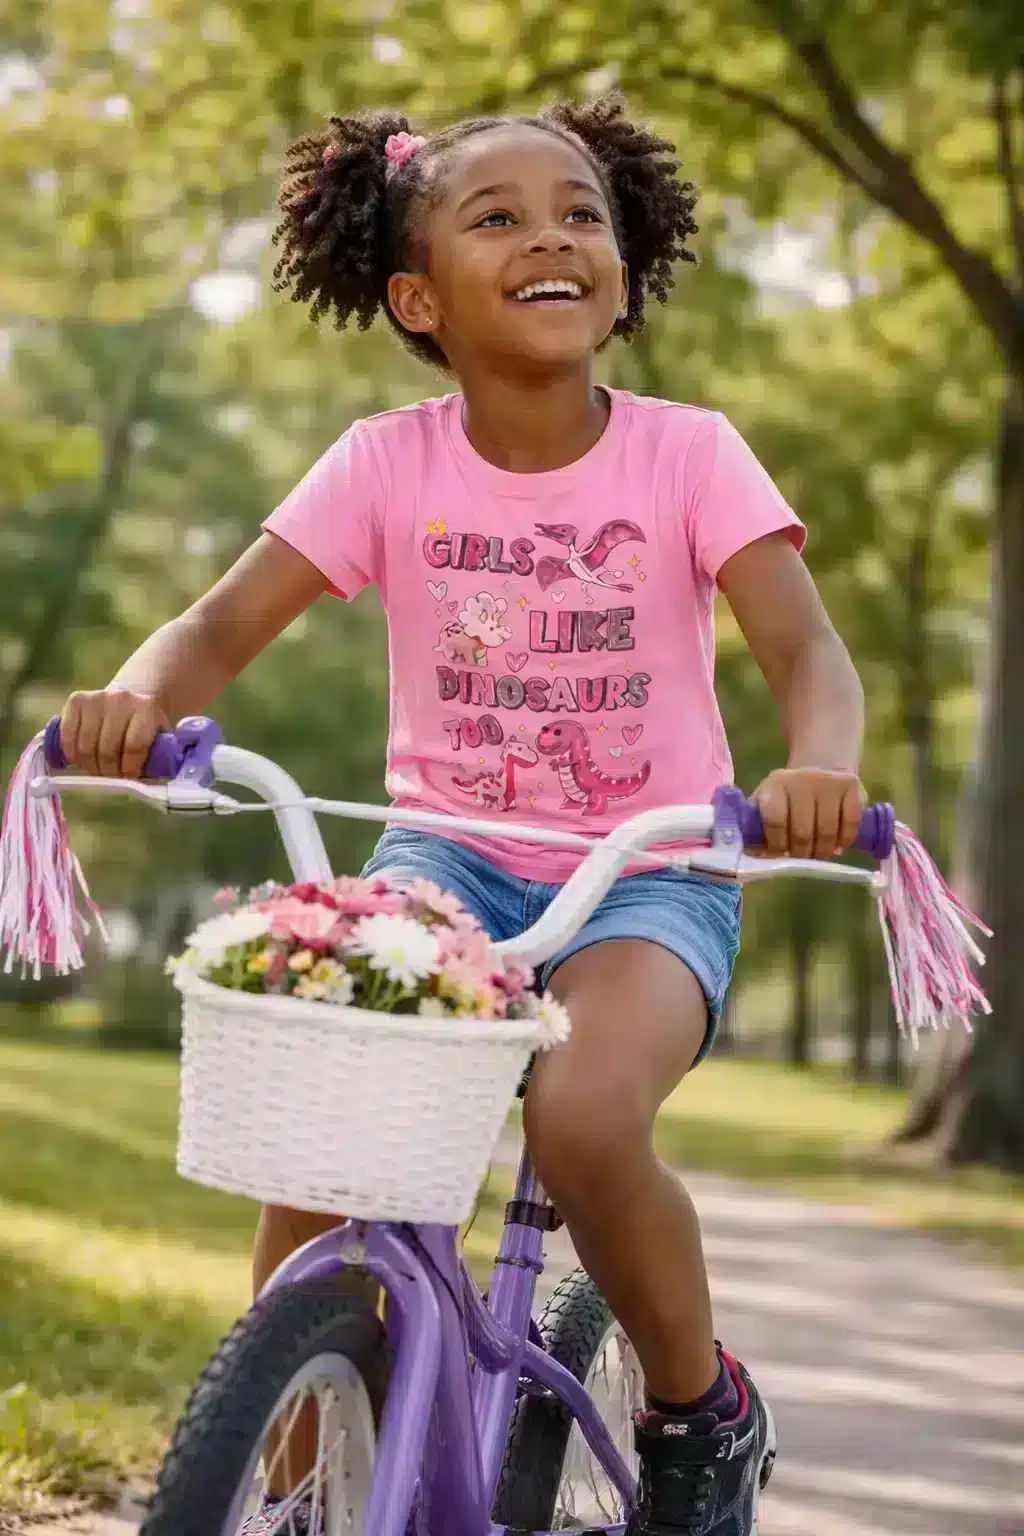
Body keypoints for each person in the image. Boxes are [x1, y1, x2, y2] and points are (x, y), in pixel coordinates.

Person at [56, 95, 865, 1536]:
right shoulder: (387, 463)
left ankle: (701, 1413)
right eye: (499, 218)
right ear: (418, 297)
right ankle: (296, 1470)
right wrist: (134, 700)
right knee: (322, 1118)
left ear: (621, 264)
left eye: (580, 215)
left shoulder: (689, 453)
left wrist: (822, 766)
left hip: (652, 871)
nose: (552, 237)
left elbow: (806, 651)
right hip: (445, 861)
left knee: (586, 1115)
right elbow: (216, 626)